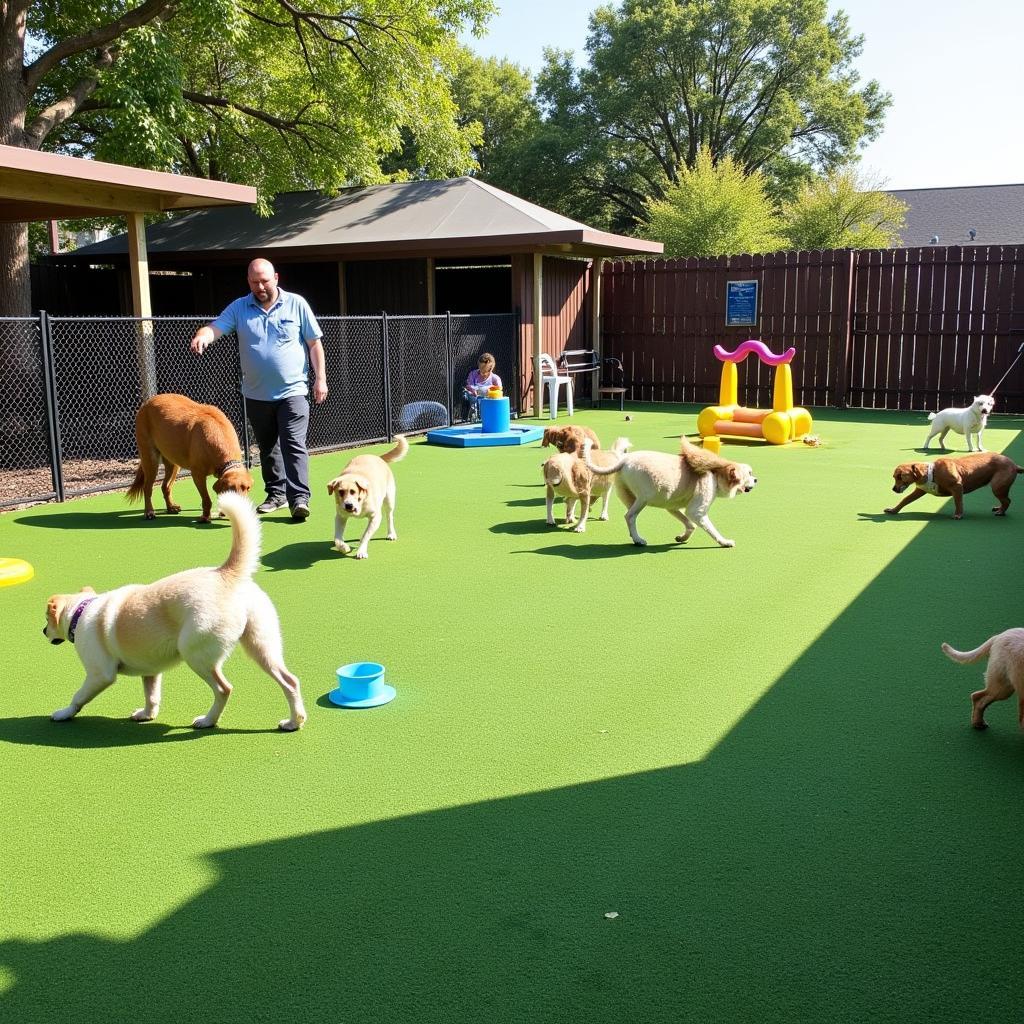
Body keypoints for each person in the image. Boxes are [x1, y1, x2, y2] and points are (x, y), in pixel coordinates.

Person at [190, 259, 327, 521]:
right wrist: (203, 336)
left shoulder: (296, 304)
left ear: (276, 278)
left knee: (293, 443)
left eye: (264, 281)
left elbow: (314, 344)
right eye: (255, 282)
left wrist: (320, 378)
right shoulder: (240, 307)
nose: (260, 286)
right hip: (256, 395)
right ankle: (276, 495)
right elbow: (216, 327)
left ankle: (299, 499)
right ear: (248, 282)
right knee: (267, 447)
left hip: (293, 391)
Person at [462, 352, 502, 420]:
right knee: (465, 394)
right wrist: (472, 390)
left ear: (491, 368)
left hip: (488, 403)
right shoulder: (473, 374)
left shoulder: (495, 378)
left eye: (486, 370)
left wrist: (490, 390)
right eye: (481, 368)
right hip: (474, 399)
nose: (483, 372)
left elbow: (499, 390)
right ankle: (468, 417)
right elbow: (468, 386)